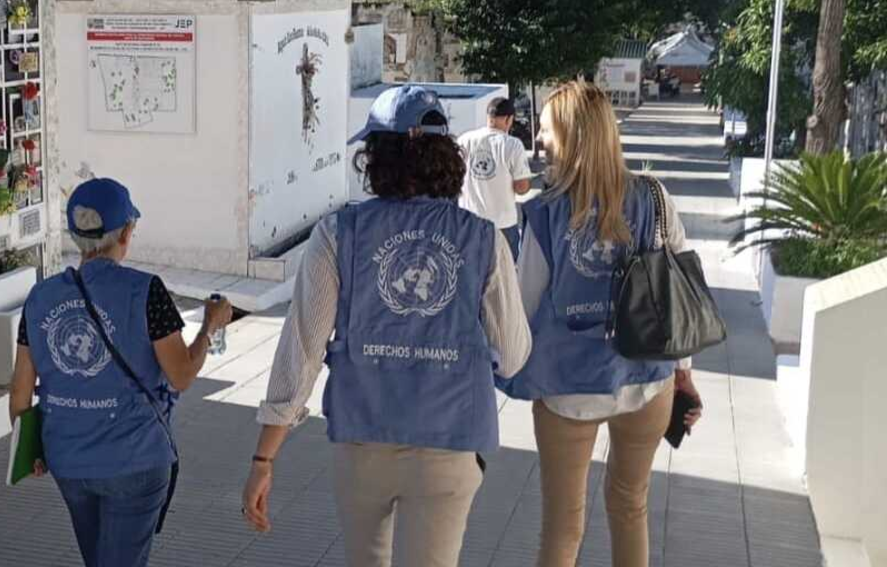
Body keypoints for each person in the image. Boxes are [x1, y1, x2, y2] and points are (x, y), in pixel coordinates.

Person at [241, 85, 532, 567]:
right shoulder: (483, 239)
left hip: (363, 440)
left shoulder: (338, 234)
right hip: (450, 440)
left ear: (376, 156)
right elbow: (514, 355)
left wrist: (263, 459)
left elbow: (302, 351)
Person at [497, 82, 703, 567]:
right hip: (647, 380)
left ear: (571, 136)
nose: (539, 139)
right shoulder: (654, 196)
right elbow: (679, 289)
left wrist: (500, 370)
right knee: (631, 508)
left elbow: (524, 305)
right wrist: (683, 374)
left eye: (546, 130)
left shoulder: (546, 213)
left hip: (567, 388)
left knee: (563, 527)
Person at [8, 178, 232, 567]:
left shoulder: (40, 297)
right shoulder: (146, 291)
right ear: (126, 233)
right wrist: (209, 327)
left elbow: (19, 394)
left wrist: (30, 450)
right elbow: (181, 375)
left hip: (67, 459)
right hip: (135, 460)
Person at [458, 97, 533, 261]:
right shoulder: (513, 145)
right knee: (507, 273)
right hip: (503, 224)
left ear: (489, 116)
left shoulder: (464, 140)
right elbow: (521, 187)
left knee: (471, 270)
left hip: (469, 222)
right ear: (508, 119)